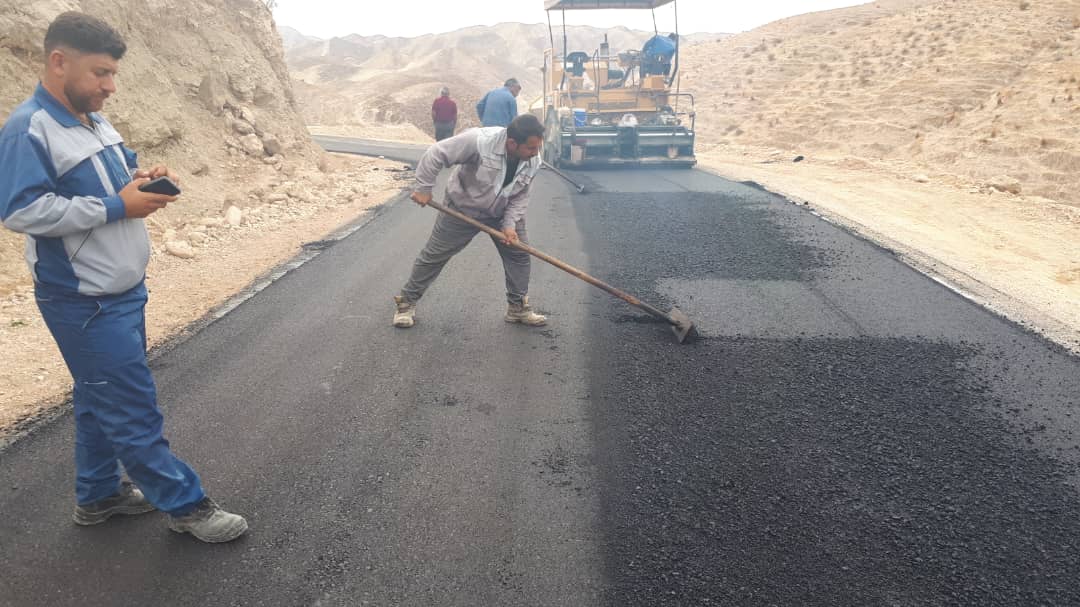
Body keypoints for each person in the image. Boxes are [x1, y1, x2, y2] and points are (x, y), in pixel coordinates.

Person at [0, 12, 247, 543]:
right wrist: (117, 206)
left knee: (100, 398)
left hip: (121, 291)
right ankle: (186, 505)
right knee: (132, 408)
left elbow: (114, 180)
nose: (110, 85)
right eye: (101, 73)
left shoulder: (94, 119)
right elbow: (21, 210)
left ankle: (98, 495)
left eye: (112, 74)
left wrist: (146, 178)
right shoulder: (29, 128)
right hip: (83, 301)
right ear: (59, 62)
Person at [393, 114, 547, 329]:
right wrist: (424, 187)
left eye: (538, 147)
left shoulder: (533, 160)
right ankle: (406, 303)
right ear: (512, 143)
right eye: (531, 148)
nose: (536, 153)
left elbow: (521, 196)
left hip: (500, 212)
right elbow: (436, 153)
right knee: (435, 255)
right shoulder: (479, 141)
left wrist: (509, 225)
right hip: (462, 209)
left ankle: (517, 308)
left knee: (519, 255)